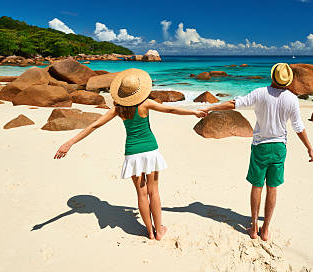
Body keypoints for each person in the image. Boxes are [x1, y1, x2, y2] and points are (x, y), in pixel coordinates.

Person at [54, 68, 206, 240]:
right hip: (150, 151)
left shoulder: (118, 109)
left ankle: (149, 231)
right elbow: (170, 110)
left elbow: (94, 126)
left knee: (141, 194)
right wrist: (194, 112)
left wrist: (69, 143)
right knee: (154, 192)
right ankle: (159, 231)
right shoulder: (145, 104)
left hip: (132, 153)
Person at [199, 63, 313, 241]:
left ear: (272, 77)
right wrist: (309, 147)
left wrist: (209, 108)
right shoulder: (291, 99)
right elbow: (298, 127)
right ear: (288, 81)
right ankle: (266, 229)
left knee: (257, 186)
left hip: (260, 146)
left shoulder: (260, 93)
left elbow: (234, 103)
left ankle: (254, 227)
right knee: (272, 188)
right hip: (278, 148)